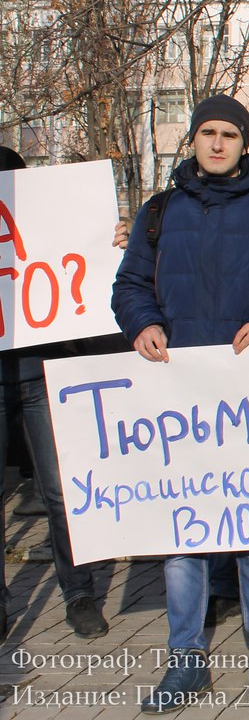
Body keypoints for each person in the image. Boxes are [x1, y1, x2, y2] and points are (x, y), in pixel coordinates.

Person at [113, 94, 249, 713]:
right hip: (177, 396)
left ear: (244, 142)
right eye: (206, 132)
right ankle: (185, 662)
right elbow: (128, 288)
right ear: (192, 139)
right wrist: (143, 325)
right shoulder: (159, 213)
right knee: (184, 535)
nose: (215, 143)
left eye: (227, 134)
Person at [0, 147, 112, 642]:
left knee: (62, 492)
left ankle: (79, 593)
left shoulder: (44, 218)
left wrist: (109, 244)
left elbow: (77, 273)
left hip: (41, 374)